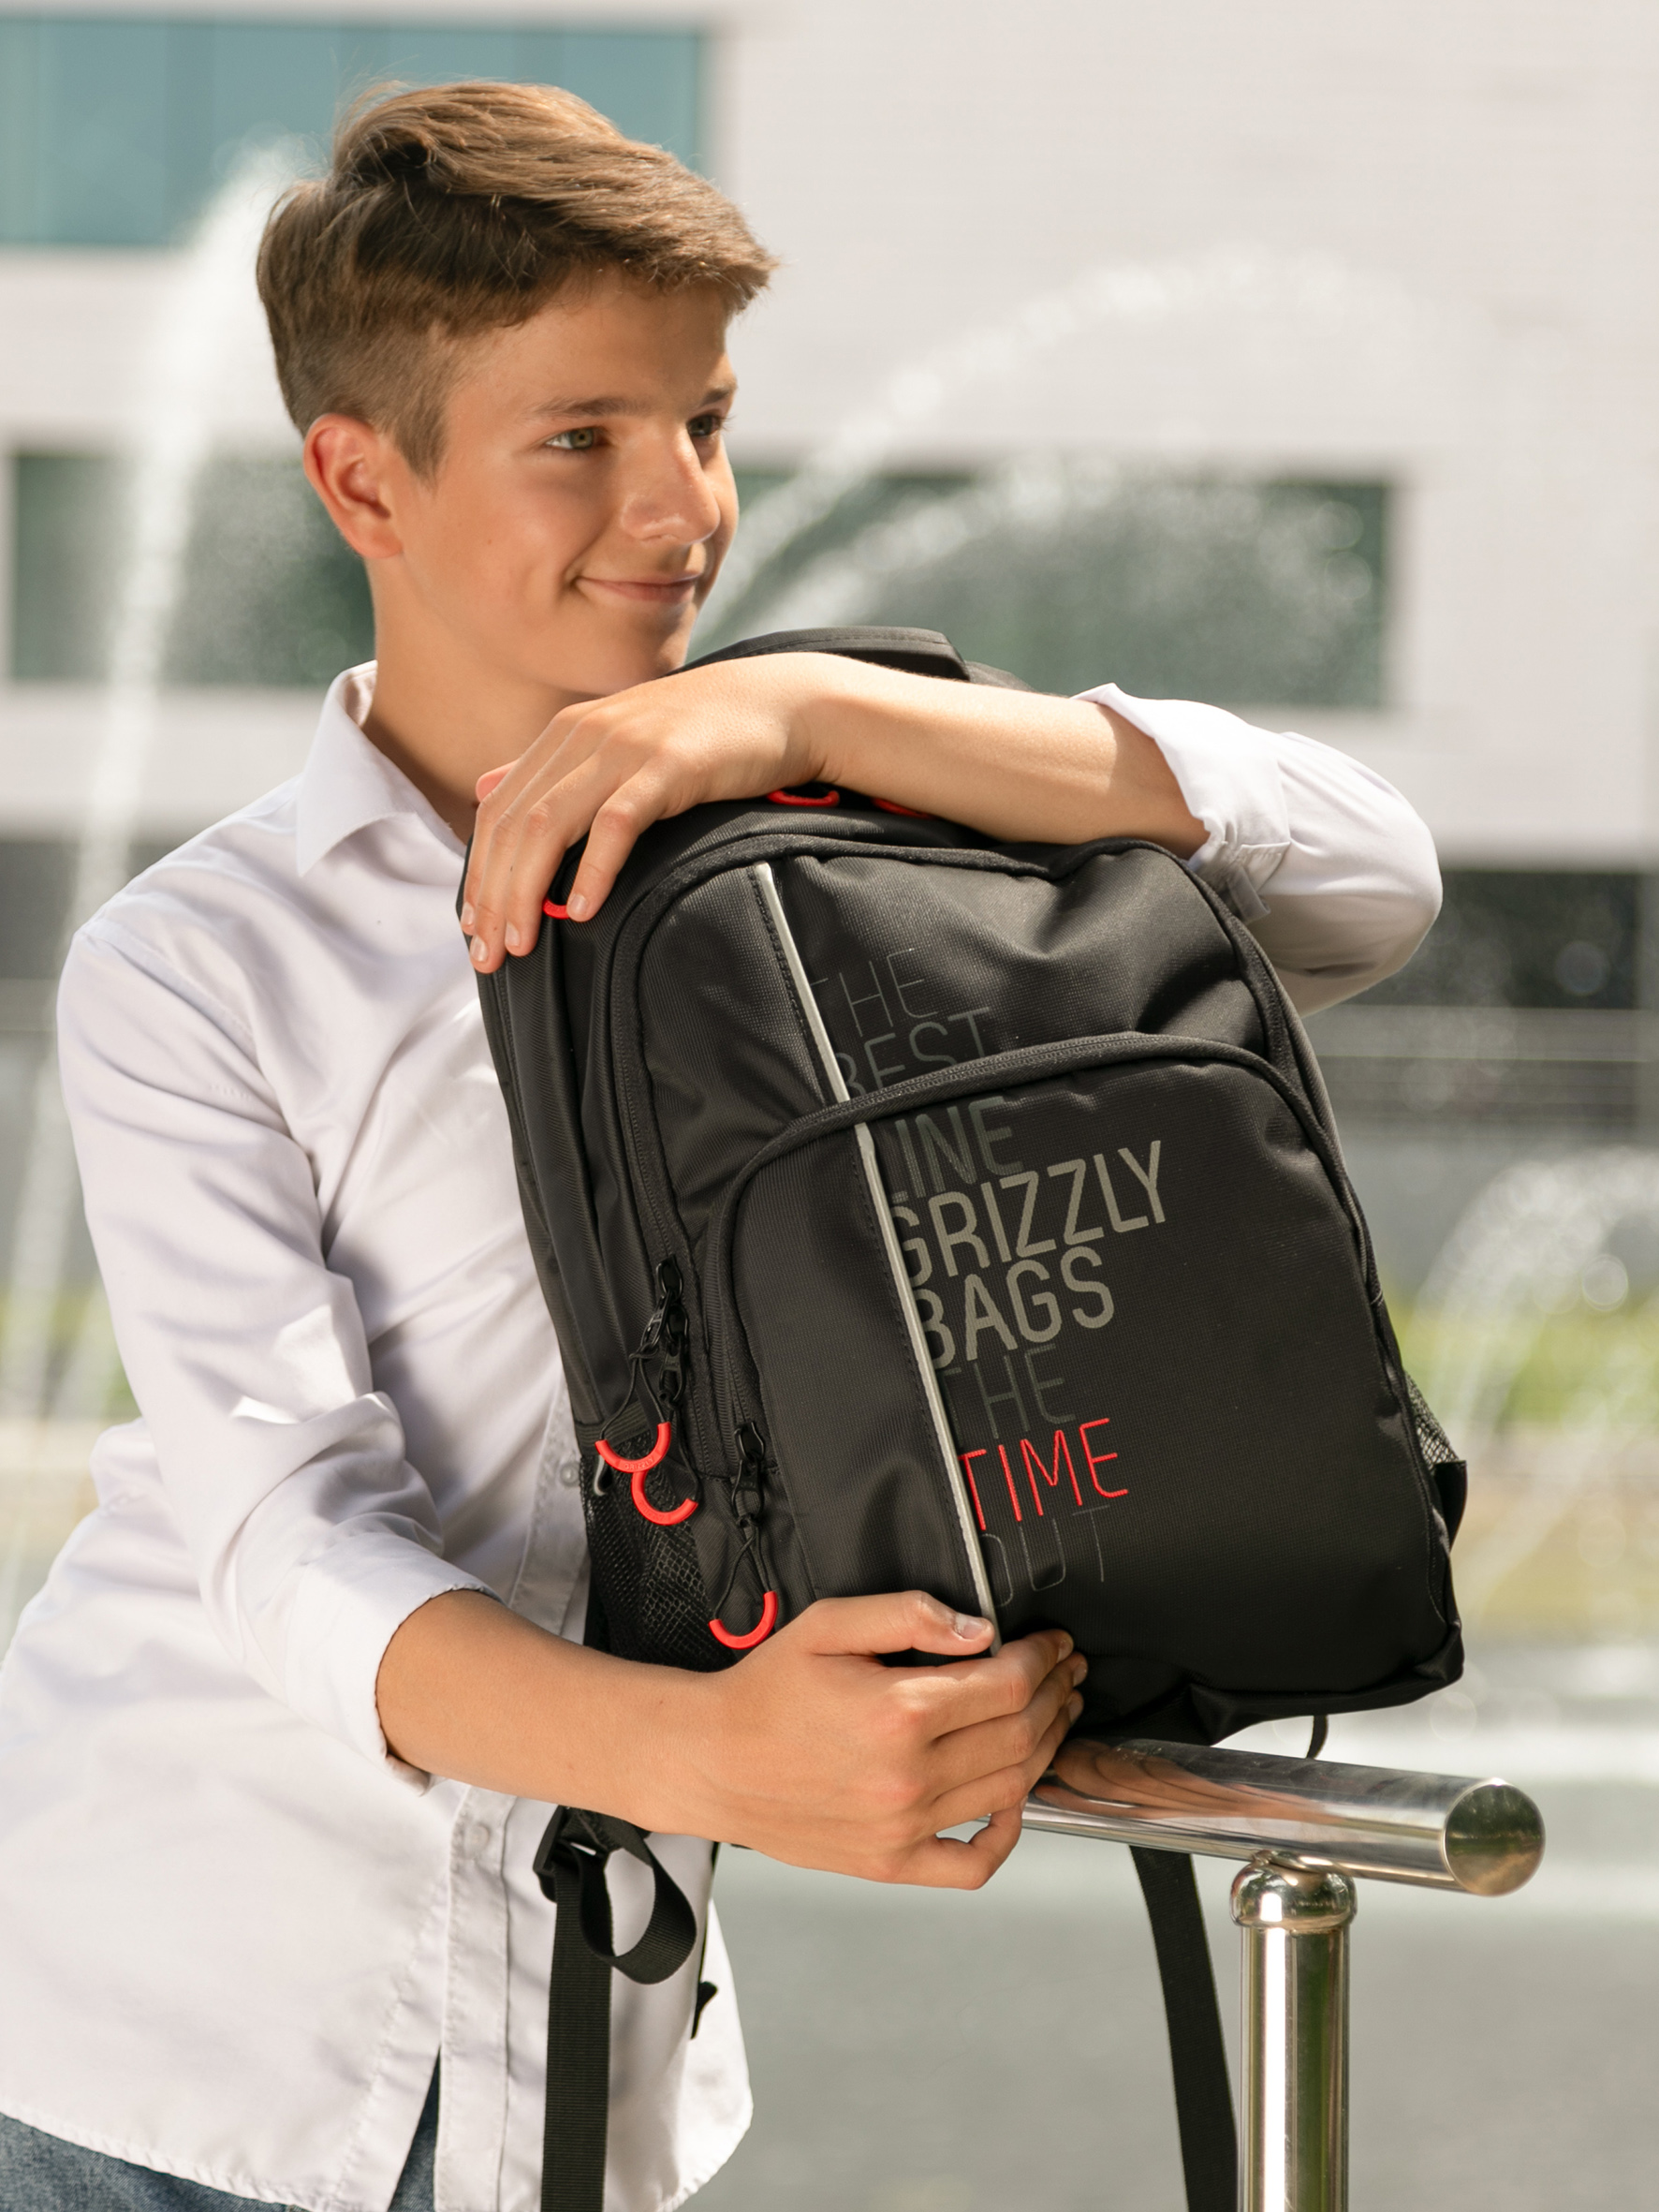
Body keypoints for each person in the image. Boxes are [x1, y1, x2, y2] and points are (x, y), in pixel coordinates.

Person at [0, 79, 1440, 2212]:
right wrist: (724, 1756)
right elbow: (289, 1541)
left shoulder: (858, 859)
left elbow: (1364, 873)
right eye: (579, 436)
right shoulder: (199, 963)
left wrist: (810, 713)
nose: (678, 507)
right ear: (361, 476)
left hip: (585, 2075)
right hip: (168, 2040)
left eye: (704, 420)